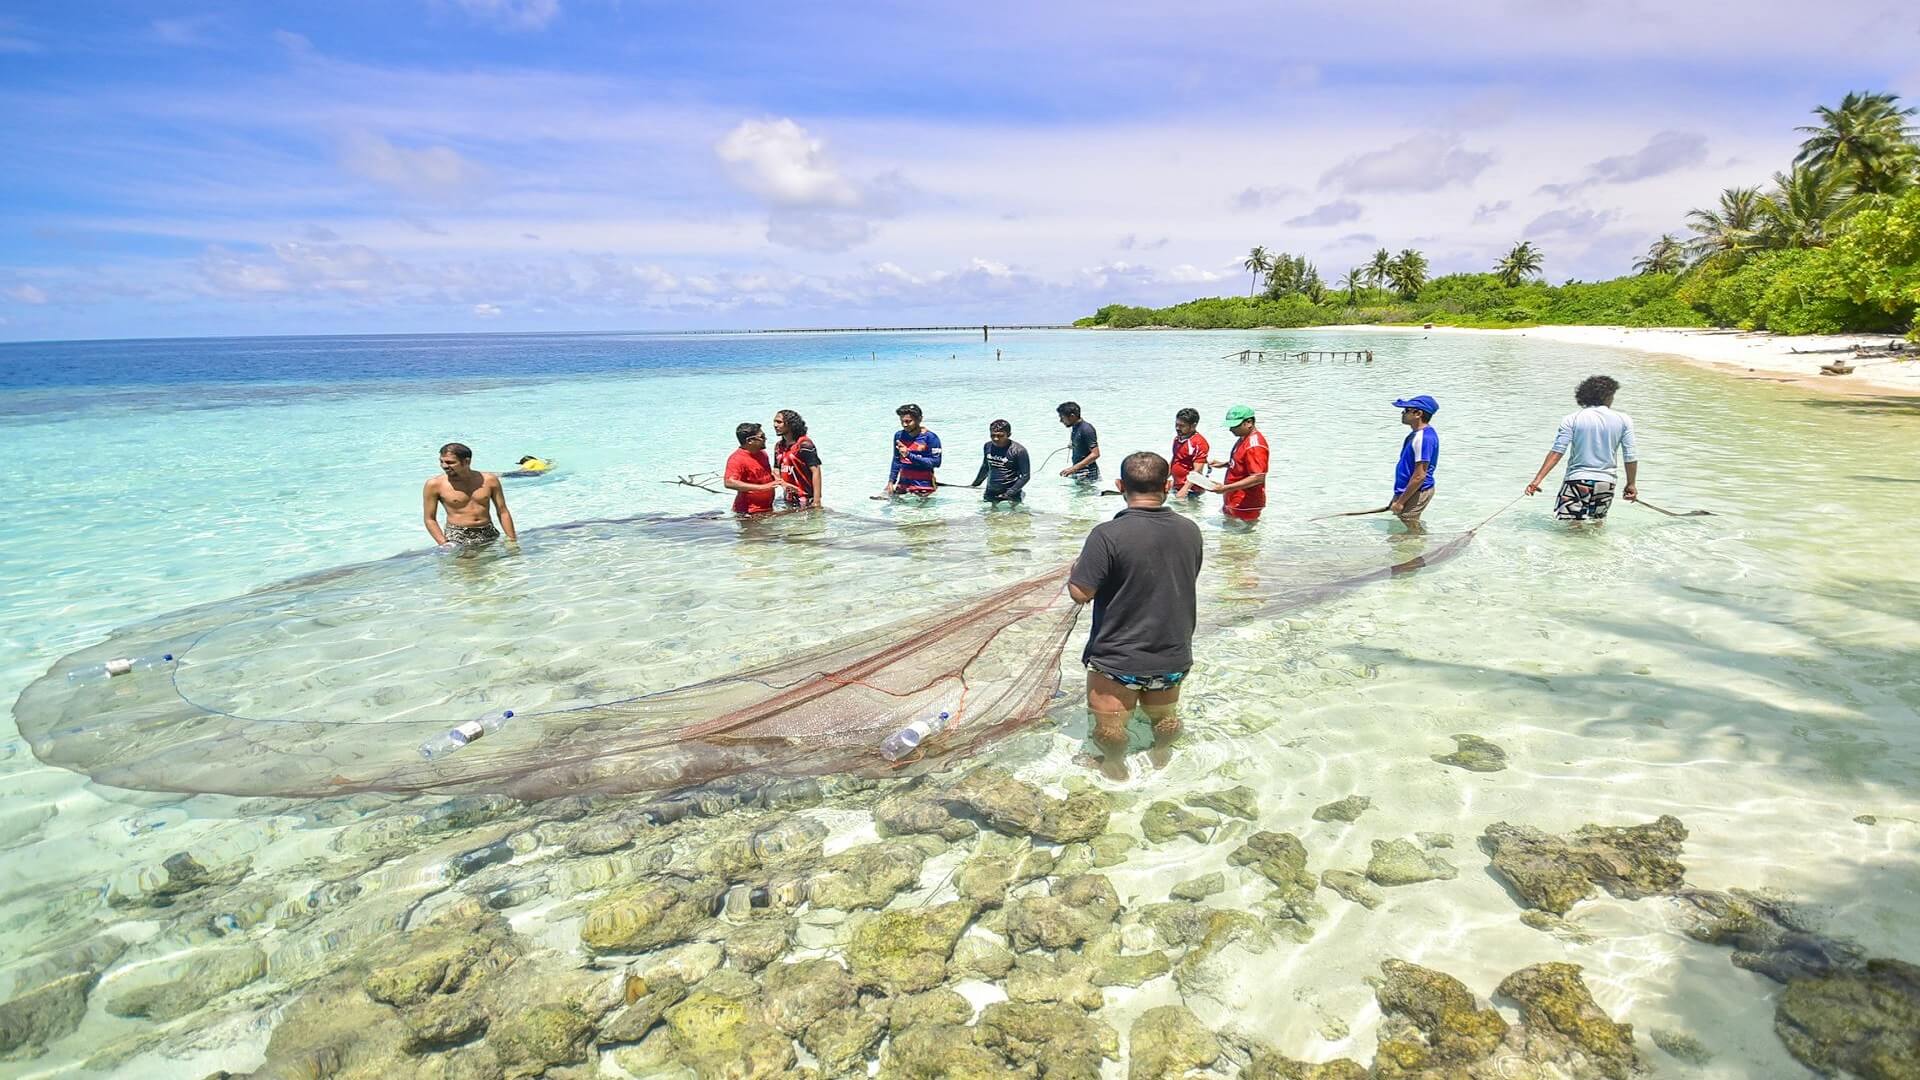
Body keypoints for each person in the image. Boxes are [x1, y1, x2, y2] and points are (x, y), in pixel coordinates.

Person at [1068, 452, 1204, 781]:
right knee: (1165, 718)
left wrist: (1076, 570)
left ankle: (1114, 765)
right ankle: (1160, 754)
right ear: (1168, 486)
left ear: (1119, 486)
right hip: (1173, 656)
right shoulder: (1190, 530)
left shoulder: (1107, 534)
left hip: (1118, 660)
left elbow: (1081, 593)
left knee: (1109, 727)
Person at [1525, 375, 1639, 521]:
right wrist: (1631, 484)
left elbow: (1557, 451)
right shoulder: (1624, 419)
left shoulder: (1572, 418)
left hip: (1577, 482)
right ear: (1607, 396)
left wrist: (1537, 480)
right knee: (1597, 526)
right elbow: (1630, 455)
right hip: (1606, 483)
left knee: (1571, 530)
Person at [423, 442, 517, 547]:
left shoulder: (490, 480)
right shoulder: (434, 484)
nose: (444, 466)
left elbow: (502, 511)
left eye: (450, 462)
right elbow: (429, 519)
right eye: (441, 461)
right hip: (457, 536)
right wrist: (444, 543)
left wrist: (512, 539)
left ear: (466, 461)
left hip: (489, 532)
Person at [1187, 405, 1269, 522]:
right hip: (1234, 498)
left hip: (1246, 503)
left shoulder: (1255, 445)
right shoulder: (1243, 438)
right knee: (1228, 532)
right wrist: (1225, 464)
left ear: (1249, 422)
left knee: (1240, 536)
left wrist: (1225, 488)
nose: (1230, 429)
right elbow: (1244, 464)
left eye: (1234, 426)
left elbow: (1258, 477)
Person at [1388, 395, 1439, 524]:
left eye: (1406, 410)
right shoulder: (1417, 435)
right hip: (1409, 490)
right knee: (1408, 525)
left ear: (1418, 413)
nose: (1402, 413)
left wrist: (1400, 502)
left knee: (1409, 525)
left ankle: (1422, 543)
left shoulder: (1423, 438)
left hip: (1418, 490)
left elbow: (1419, 476)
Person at [724, 422, 787, 514]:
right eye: (762, 437)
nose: (765, 439)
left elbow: (765, 474)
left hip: (767, 508)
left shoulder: (762, 454)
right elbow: (729, 483)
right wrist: (763, 487)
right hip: (748, 512)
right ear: (749, 441)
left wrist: (780, 481)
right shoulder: (737, 459)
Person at [883, 403, 942, 497]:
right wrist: (891, 481)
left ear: (920, 419)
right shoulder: (899, 436)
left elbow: (936, 462)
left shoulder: (931, 438)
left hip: (924, 487)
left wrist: (909, 455)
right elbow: (896, 459)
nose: (904, 425)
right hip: (903, 485)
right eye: (902, 421)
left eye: (908, 421)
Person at [970, 419, 1031, 503]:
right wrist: (975, 484)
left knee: (1016, 515)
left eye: (1000, 436)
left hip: (1012, 493)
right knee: (989, 515)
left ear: (1009, 435)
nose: (996, 439)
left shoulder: (1019, 451)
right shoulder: (987, 446)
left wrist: (1009, 493)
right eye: (993, 435)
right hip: (991, 491)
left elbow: (1025, 476)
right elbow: (985, 467)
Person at [772, 409, 823, 508]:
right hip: (788, 498)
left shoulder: (804, 445)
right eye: (774, 422)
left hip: (806, 498)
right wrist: (782, 483)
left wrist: (816, 501)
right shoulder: (779, 446)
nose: (775, 425)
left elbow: (816, 471)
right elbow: (776, 469)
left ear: (790, 424)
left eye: (779, 422)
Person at [1169, 407, 1210, 497]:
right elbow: (1174, 459)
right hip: (1177, 486)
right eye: (1176, 424)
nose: (1177, 428)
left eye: (1182, 426)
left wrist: (1185, 489)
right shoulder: (1177, 439)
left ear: (1193, 426)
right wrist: (1163, 479)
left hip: (1192, 490)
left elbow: (1197, 470)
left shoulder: (1199, 443)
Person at [1056, 401, 1100, 481]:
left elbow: (1095, 454)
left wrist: (1072, 469)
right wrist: (1075, 446)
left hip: (1088, 473)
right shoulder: (1075, 427)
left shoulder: (1086, 429)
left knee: (1087, 494)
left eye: (1062, 417)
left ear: (1072, 416)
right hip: (1079, 471)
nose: (1061, 421)